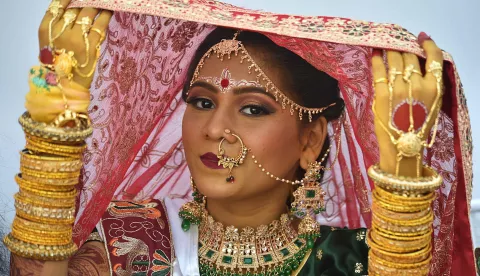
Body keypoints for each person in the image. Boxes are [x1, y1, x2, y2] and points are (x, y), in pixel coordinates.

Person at [5, 0, 475, 275]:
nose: (212, 130)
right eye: (202, 102)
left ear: (311, 139)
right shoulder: (133, 239)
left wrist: (403, 184)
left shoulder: (353, 260)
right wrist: (55, 137)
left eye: (252, 109)